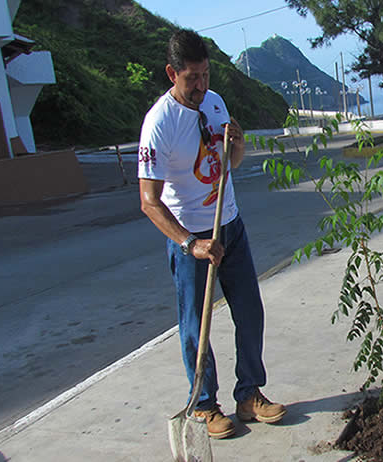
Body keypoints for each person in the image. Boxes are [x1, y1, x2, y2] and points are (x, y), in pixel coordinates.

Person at [138, 28, 285, 439]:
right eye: (192, 78)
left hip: (230, 225)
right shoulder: (159, 124)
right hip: (191, 238)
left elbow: (229, 164)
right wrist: (190, 242)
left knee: (250, 311)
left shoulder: (216, 103)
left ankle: (249, 394)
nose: (201, 85)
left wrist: (237, 144)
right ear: (172, 73)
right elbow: (149, 201)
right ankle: (204, 405)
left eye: (205, 75)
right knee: (195, 325)